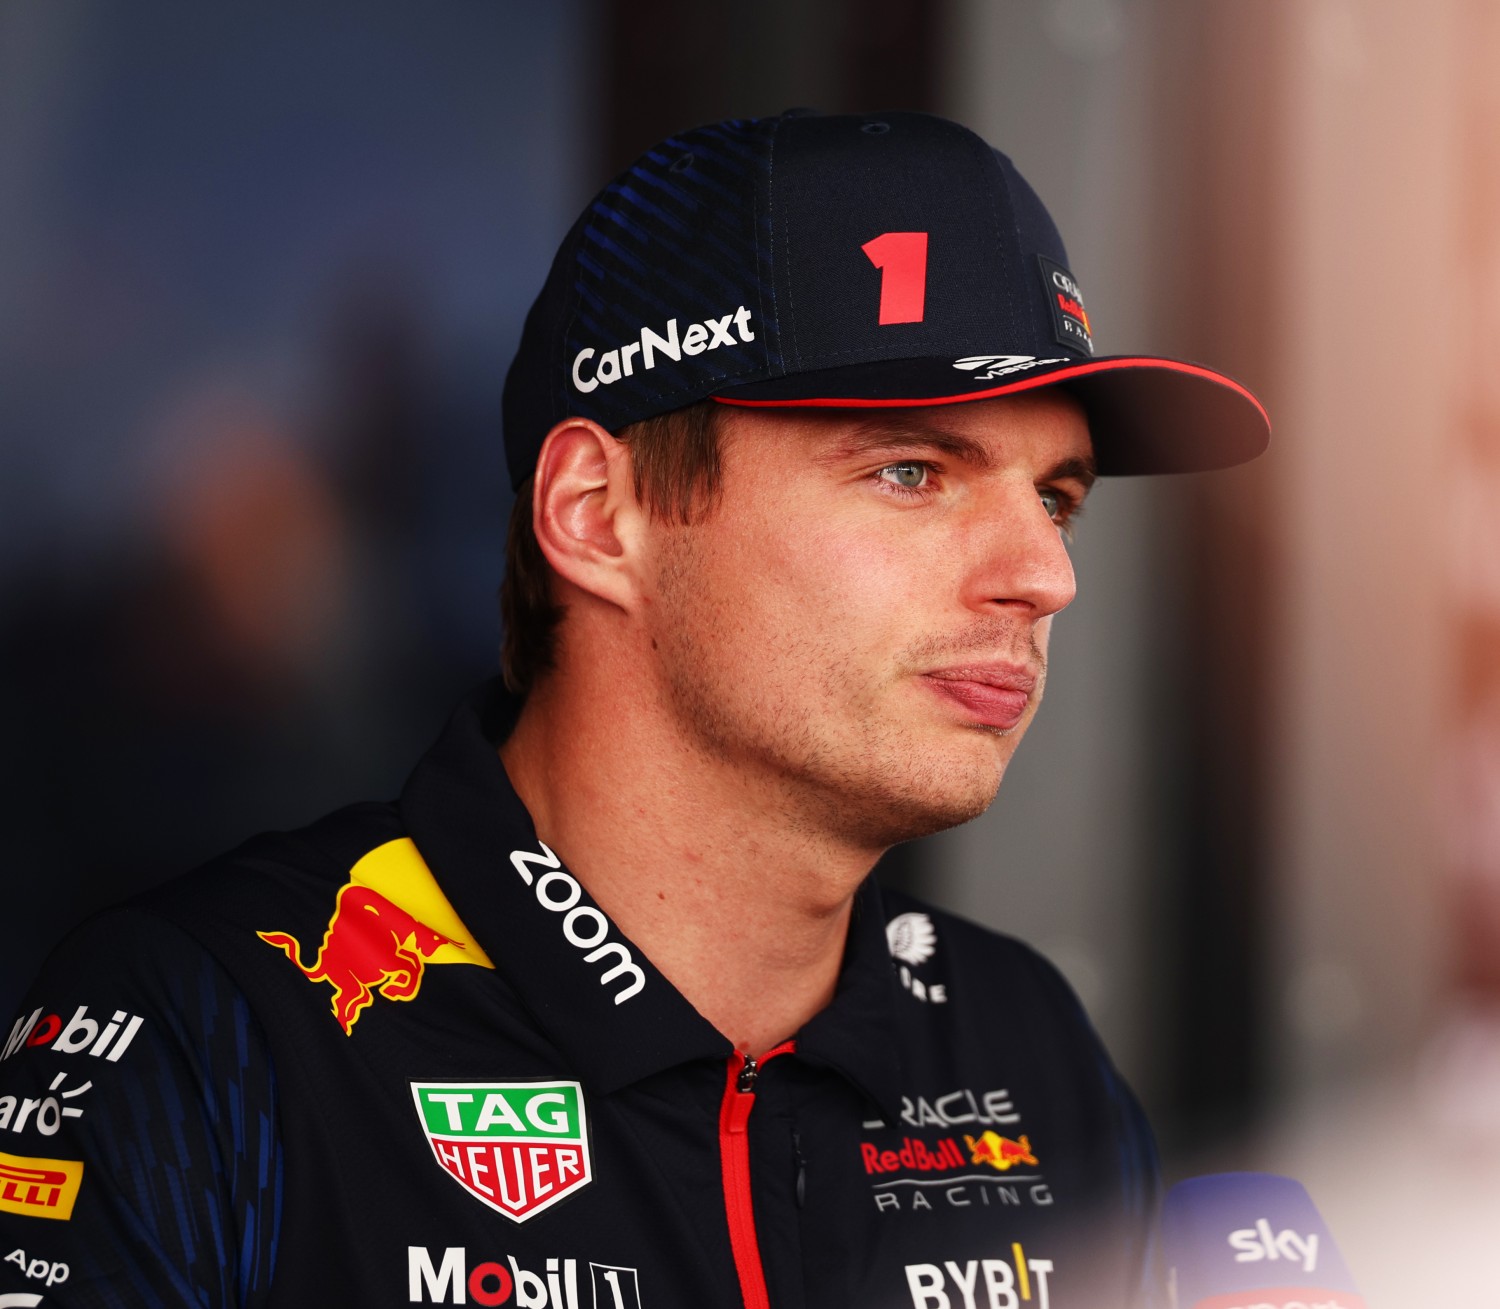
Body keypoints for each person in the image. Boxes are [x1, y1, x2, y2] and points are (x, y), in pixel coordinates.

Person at [0, 110, 1267, 1308]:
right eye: (911, 470)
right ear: (597, 517)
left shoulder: (1022, 1045)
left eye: (1056, 495)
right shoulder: (205, 1033)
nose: (1045, 575)